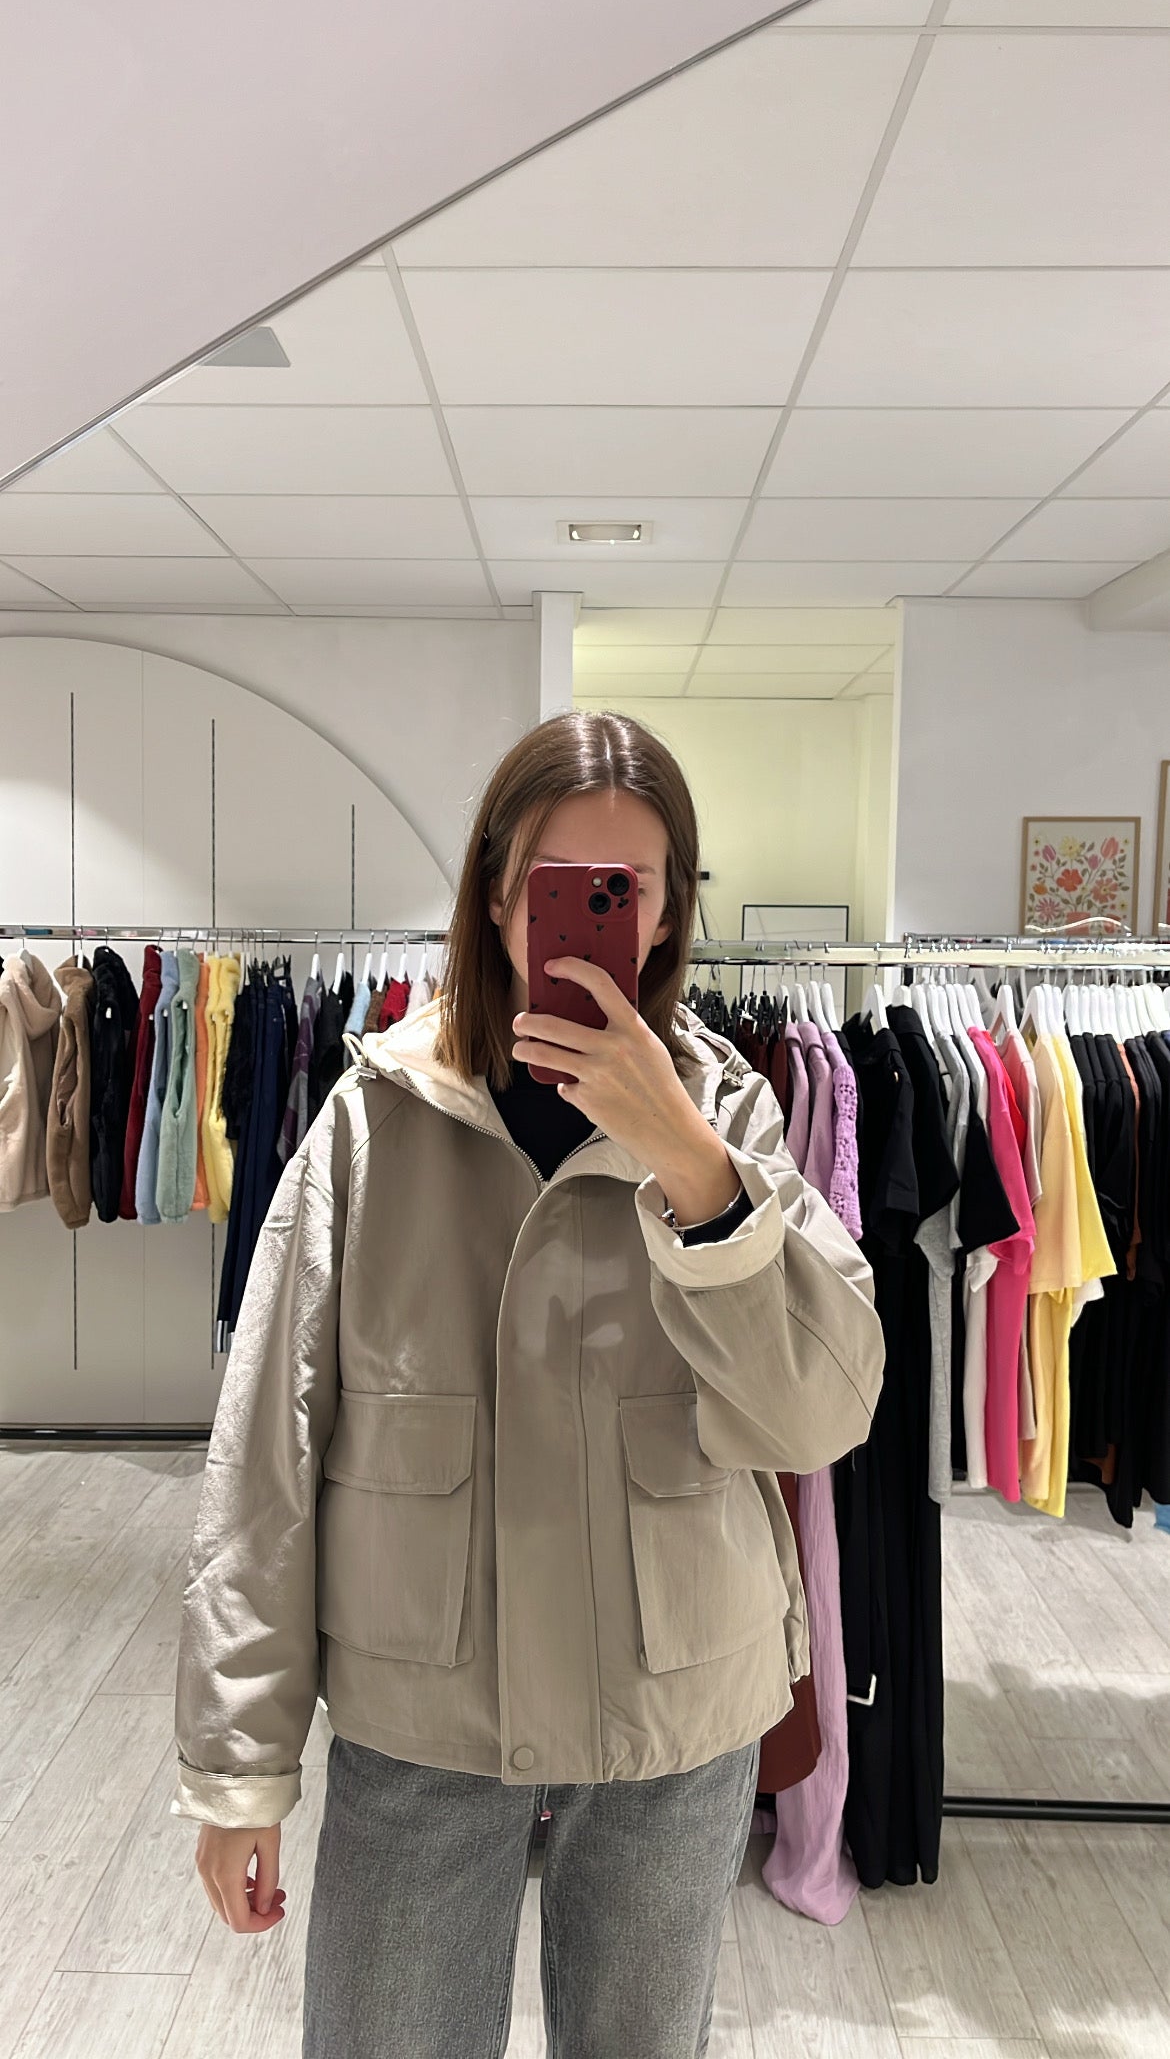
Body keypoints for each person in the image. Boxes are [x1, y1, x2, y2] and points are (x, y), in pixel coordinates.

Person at [171, 708, 885, 2058]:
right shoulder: (375, 1119)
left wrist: (694, 1170)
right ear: (497, 893)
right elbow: (265, 1457)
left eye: (626, 889)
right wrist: (238, 1763)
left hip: (673, 1705)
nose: (590, 918)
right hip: (425, 1706)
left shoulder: (729, 1116)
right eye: (559, 883)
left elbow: (820, 1413)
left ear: (666, 913)